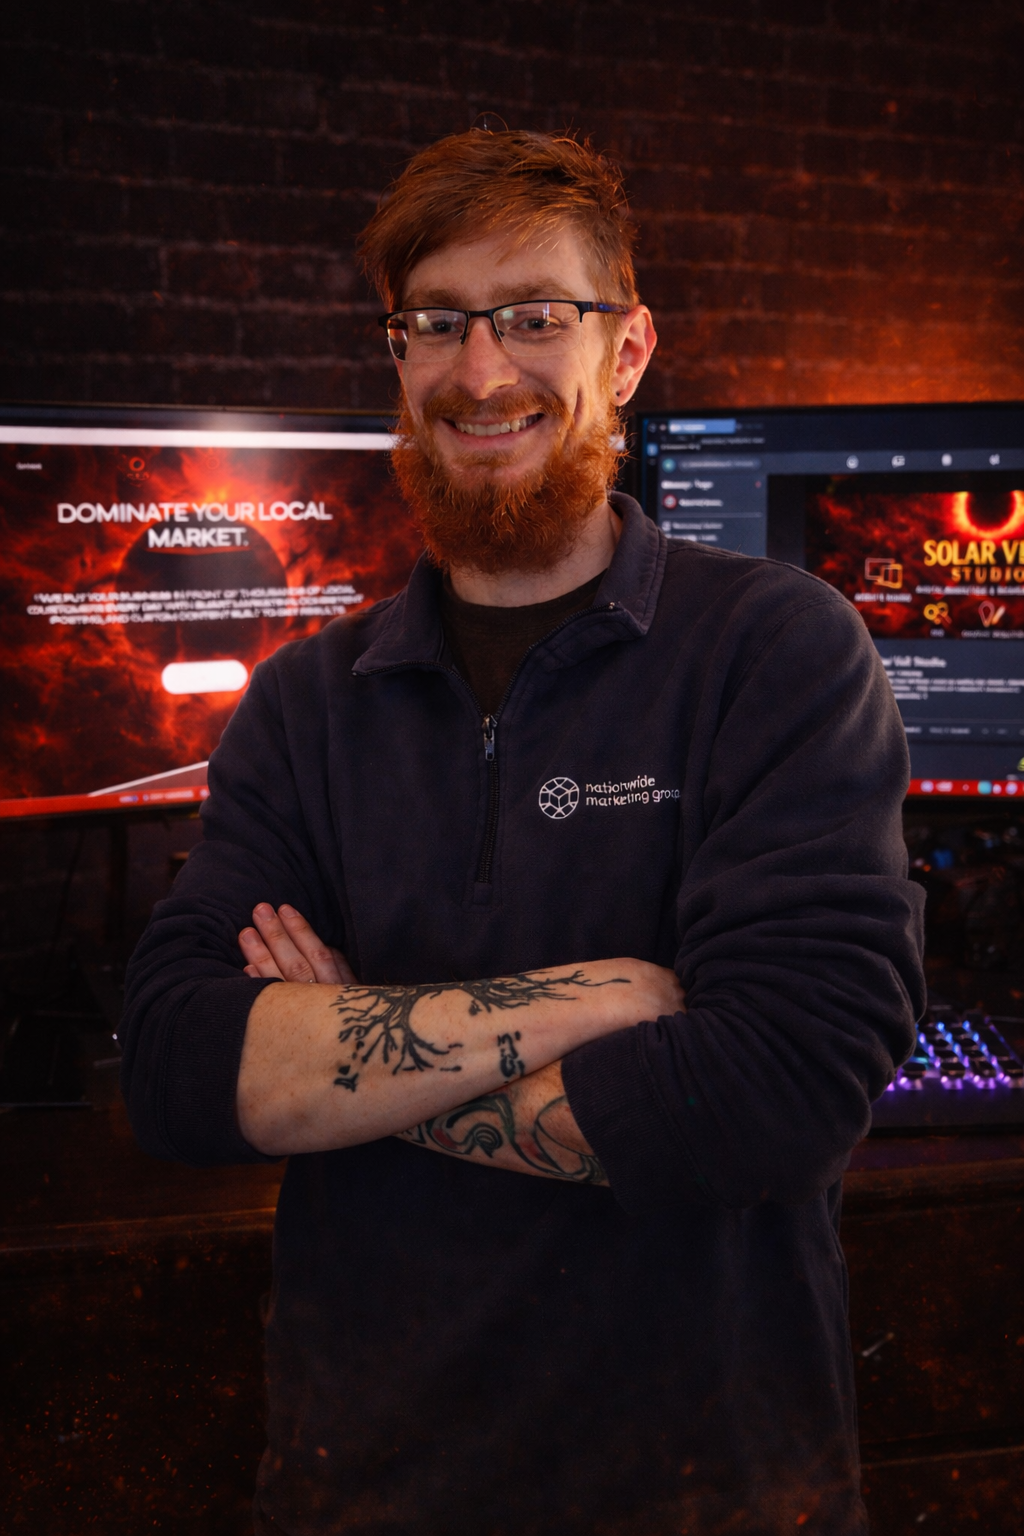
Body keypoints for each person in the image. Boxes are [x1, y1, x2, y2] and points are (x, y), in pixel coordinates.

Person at [122, 128, 926, 1536]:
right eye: (436, 323)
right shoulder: (306, 707)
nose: (481, 372)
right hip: (363, 1492)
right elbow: (182, 1065)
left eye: (535, 319)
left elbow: (781, 1090)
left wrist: (346, 1063)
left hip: (715, 1494)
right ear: (399, 358)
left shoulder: (776, 651)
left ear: (626, 354)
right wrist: (612, 999)